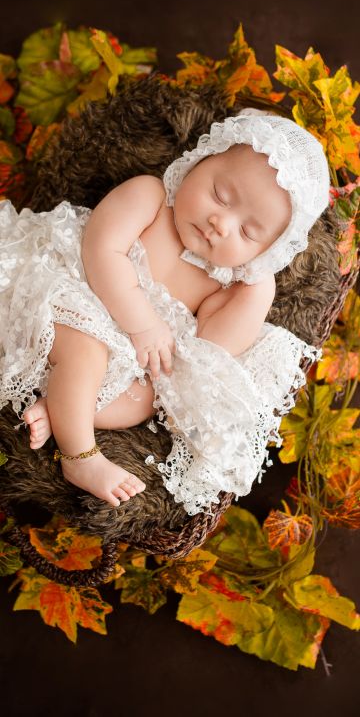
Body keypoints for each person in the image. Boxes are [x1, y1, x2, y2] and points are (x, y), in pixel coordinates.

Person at [0, 107, 331, 516]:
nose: (220, 223)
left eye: (248, 232)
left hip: (123, 350)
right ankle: (79, 456)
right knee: (86, 353)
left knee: (142, 399)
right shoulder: (151, 198)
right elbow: (100, 250)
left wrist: (256, 289)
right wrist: (142, 323)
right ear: (199, 161)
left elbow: (212, 350)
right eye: (220, 195)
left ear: (268, 252)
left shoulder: (222, 281)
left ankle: (64, 410)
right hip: (70, 292)